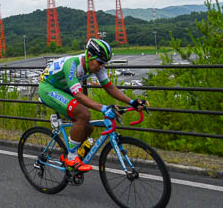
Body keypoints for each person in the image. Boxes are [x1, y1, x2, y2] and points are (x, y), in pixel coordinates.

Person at [39, 38, 148, 172]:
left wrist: (132, 102)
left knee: (88, 127)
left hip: (62, 87)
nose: (102, 66)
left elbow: (109, 87)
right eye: (100, 62)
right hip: (48, 88)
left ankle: (69, 153)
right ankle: (72, 158)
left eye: (104, 63)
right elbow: (78, 95)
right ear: (89, 56)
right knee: (83, 114)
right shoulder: (72, 64)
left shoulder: (95, 64)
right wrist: (103, 108)